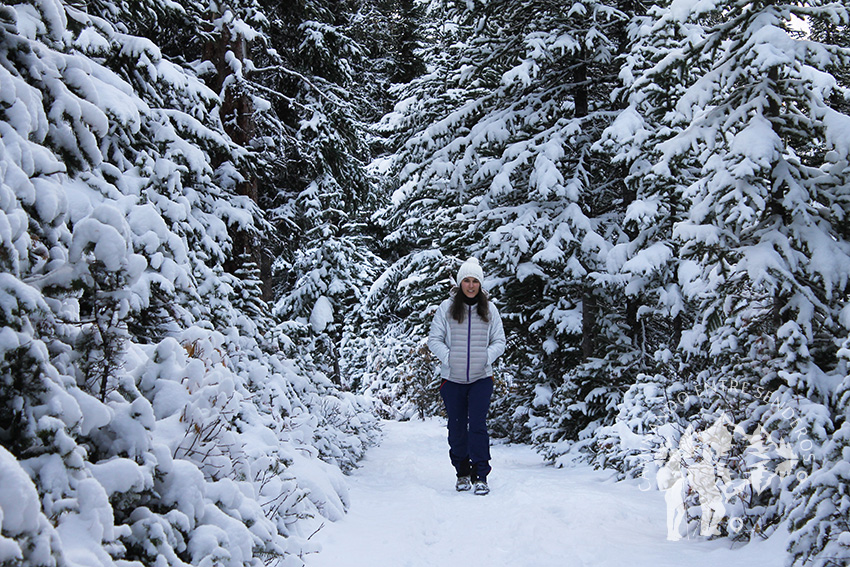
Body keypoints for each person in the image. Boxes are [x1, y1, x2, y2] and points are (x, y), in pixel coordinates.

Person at [428, 257, 506, 495]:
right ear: (460, 283)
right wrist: (449, 358)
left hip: (481, 378)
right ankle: (462, 473)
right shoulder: (446, 308)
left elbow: (500, 341)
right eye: (466, 281)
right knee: (457, 427)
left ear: (480, 285)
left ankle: (481, 475)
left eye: (475, 281)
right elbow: (434, 340)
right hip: (452, 380)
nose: (471, 286)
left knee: (478, 426)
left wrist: (486, 357)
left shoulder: (490, 310)